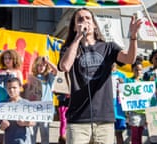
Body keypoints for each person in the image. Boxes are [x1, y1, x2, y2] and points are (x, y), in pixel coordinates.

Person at [58, 8, 142, 144]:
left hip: (104, 121)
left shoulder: (108, 48)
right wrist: (78, 37)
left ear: (94, 24)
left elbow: (129, 59)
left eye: (87, 18)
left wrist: (133, 37)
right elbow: (65, 66)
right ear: (74, 27)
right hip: (78, 121)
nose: (84, 21)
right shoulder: (69, 49)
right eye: (79, 19)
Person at [0, 77, 35, 144]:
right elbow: (1, 127)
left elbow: (33, 122)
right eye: (9, 88)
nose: (11, 90)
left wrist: (25, 123)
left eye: (14, 88)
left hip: (24, 141)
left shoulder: (26, 103)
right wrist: (3, 125)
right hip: (8, 141)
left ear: (20, 88)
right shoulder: (3, 105)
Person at [30, 56, 57, 144]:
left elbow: (56, 70)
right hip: (34, 109)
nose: (41, 67)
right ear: (36, 66)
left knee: (44, 133)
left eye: (43, 65)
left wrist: (48, 62)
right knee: (32, 133)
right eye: (39, 65)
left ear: (46, 67)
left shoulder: (48, 77)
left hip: (45, 110)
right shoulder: (32, 77)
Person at [127, 56, 149, 144]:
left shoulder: (144, 83)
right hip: (133, 112)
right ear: (132, 70)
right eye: (136, 69)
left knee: (140, 134)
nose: (138, 72)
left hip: (143, 112)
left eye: (140, 70)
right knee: (135, 134)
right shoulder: (129, 82)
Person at [111, 63, 127, 144]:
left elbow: (128, 93)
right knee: (108, 135)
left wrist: (123, 84)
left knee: (119, 133)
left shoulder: (122, 75)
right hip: (107, 110)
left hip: (119, 111)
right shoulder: (103, 75)